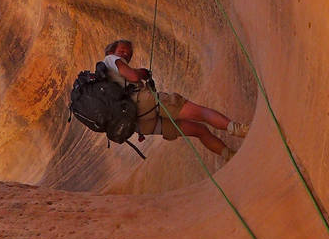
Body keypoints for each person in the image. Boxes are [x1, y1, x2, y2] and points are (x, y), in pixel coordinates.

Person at [100, 39, 247, 161]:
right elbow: (133, 76)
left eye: (129, 53)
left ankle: (232, 157)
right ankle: (241, 130)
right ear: (112, 52)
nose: (126, 54)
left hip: (140, 124)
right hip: (146, 103)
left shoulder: (103, 78)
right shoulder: (110, 59)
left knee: (200, 130)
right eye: (122, 50)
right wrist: (142, 73)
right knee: (202, 113)